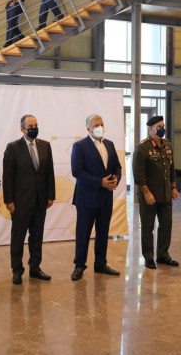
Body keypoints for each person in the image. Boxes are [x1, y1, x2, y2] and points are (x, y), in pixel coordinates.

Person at [3, 114, 55, 285]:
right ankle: (17, 270)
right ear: (22, 129)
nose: (34, 129)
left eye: (36, 125)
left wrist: (50, 195)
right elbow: (8, 176)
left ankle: (35, 267)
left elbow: (49, 172)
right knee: (18, 237)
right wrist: (9, 200)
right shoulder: (13, 147)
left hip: (40, 201)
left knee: (37, 236)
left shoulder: (45, 146)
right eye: (30, 127)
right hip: (20, 202)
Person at [70, 114, 122, 281]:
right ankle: (79, 265)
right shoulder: (80, 146)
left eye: (101, 124)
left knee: (103, 232)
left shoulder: (109, 144)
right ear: (88, 128)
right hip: (87, 198)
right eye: (96, 125)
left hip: (106, 197)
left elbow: (117, 167)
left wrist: (116, 179)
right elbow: (77, 171)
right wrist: (100, 182)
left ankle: (100, 264)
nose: (100, 127)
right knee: (83, 233)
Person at [132, 115, 180, 270]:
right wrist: (146, 193)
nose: (162, 129)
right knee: (148, 226)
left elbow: (171, 169)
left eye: (163, 126)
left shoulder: (168, 145)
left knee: (166, 225)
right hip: (149, 195)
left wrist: (173, 187)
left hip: (165, 193)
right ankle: (148, 257)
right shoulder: (142, 148)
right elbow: (139, 175)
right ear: (151, 129)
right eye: (159, 127)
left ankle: (163, 255)